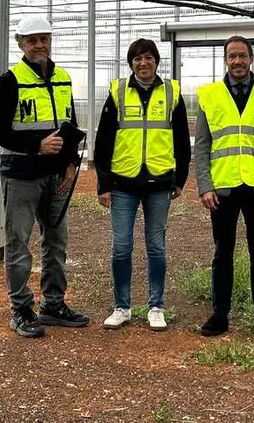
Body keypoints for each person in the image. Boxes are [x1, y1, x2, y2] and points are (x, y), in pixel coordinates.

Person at [0, 14, 90, 337]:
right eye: (32, 40)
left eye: (44, 39)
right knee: (19, 242)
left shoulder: (63, 78)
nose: (39, 45)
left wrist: (70, 161)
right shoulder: (10, 81)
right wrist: (37, 145)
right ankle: (20, 308)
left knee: (56, 242)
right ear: (21, 44)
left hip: (56, 176)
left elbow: (69, 125)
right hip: (22, 176)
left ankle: (53, 304)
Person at [93, 38, 191, 332]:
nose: (143, 63)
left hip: (159, 182)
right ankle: (121, 307)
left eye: (148, 57)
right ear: (131, 63)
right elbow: (104, 140)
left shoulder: (172, 92)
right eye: (137, 59)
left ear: (156, 61)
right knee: (121, 247)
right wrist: (103, 184)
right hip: (123, 182)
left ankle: (156, 307)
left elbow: (182, 140)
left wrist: (179, 179)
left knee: (156, 246)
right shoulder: (118, 92)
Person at [194, 35, 254, 338]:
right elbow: (202, 146)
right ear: (225, 60)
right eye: (232, 56)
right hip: (222, 188)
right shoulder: (209, 95)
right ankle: (220, 314)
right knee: (223, 252)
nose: (237, 61)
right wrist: (205, 186)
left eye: (242, 56)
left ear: (251, 59)